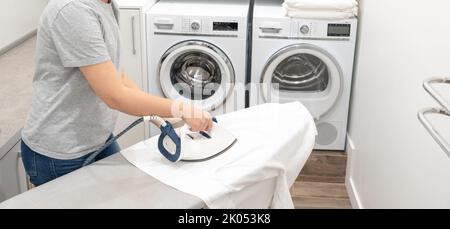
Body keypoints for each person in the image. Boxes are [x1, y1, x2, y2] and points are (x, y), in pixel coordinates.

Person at [21, 0, 213, 186]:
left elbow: (116, 75)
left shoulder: (106, 4)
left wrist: (159, 116)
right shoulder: (73, 10)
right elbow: (114, 95)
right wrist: (181, 108)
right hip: (60, 153)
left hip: (97, 139)